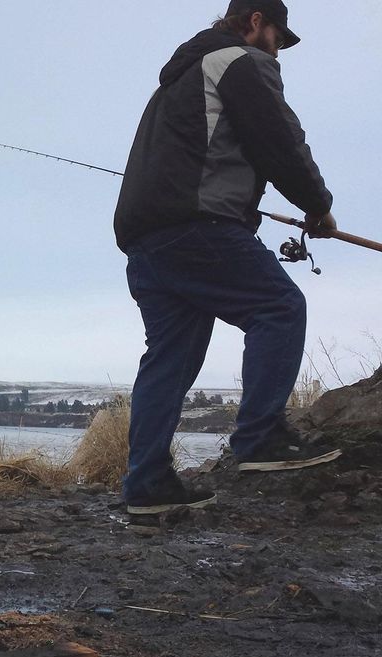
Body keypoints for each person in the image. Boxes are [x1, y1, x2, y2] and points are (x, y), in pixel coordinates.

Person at [113, 0, 341, 515]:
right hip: (198, 225)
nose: (280, 48)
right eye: (279, 36)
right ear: (256, 21)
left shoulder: (176, 79)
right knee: (279, 307)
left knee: (170, 358)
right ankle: (260, 438)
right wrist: (318, 208)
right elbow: (279, 140)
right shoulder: (238, 61)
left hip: (146, 240)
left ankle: (146, 485)